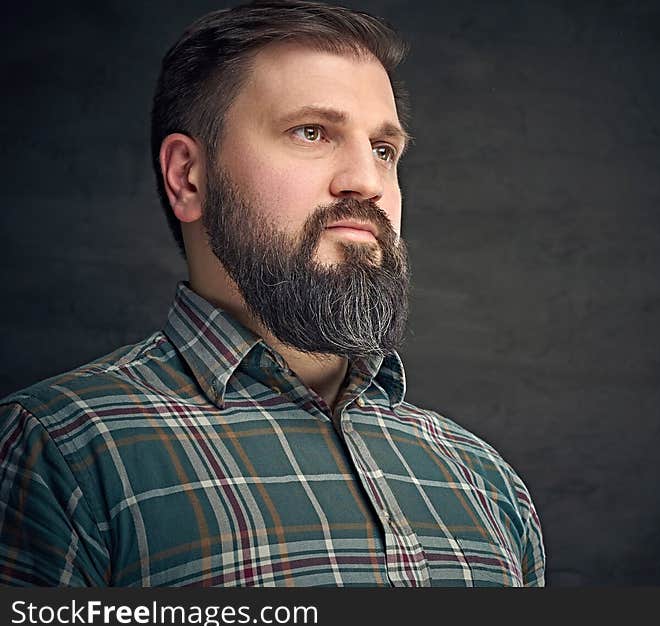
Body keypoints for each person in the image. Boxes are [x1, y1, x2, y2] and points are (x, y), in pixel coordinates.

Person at [0, 0, 545, 587]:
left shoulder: (484, 481)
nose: (366, 179)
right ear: (188, 177)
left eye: (384, 150)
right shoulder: (57, 454)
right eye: (311, 132)